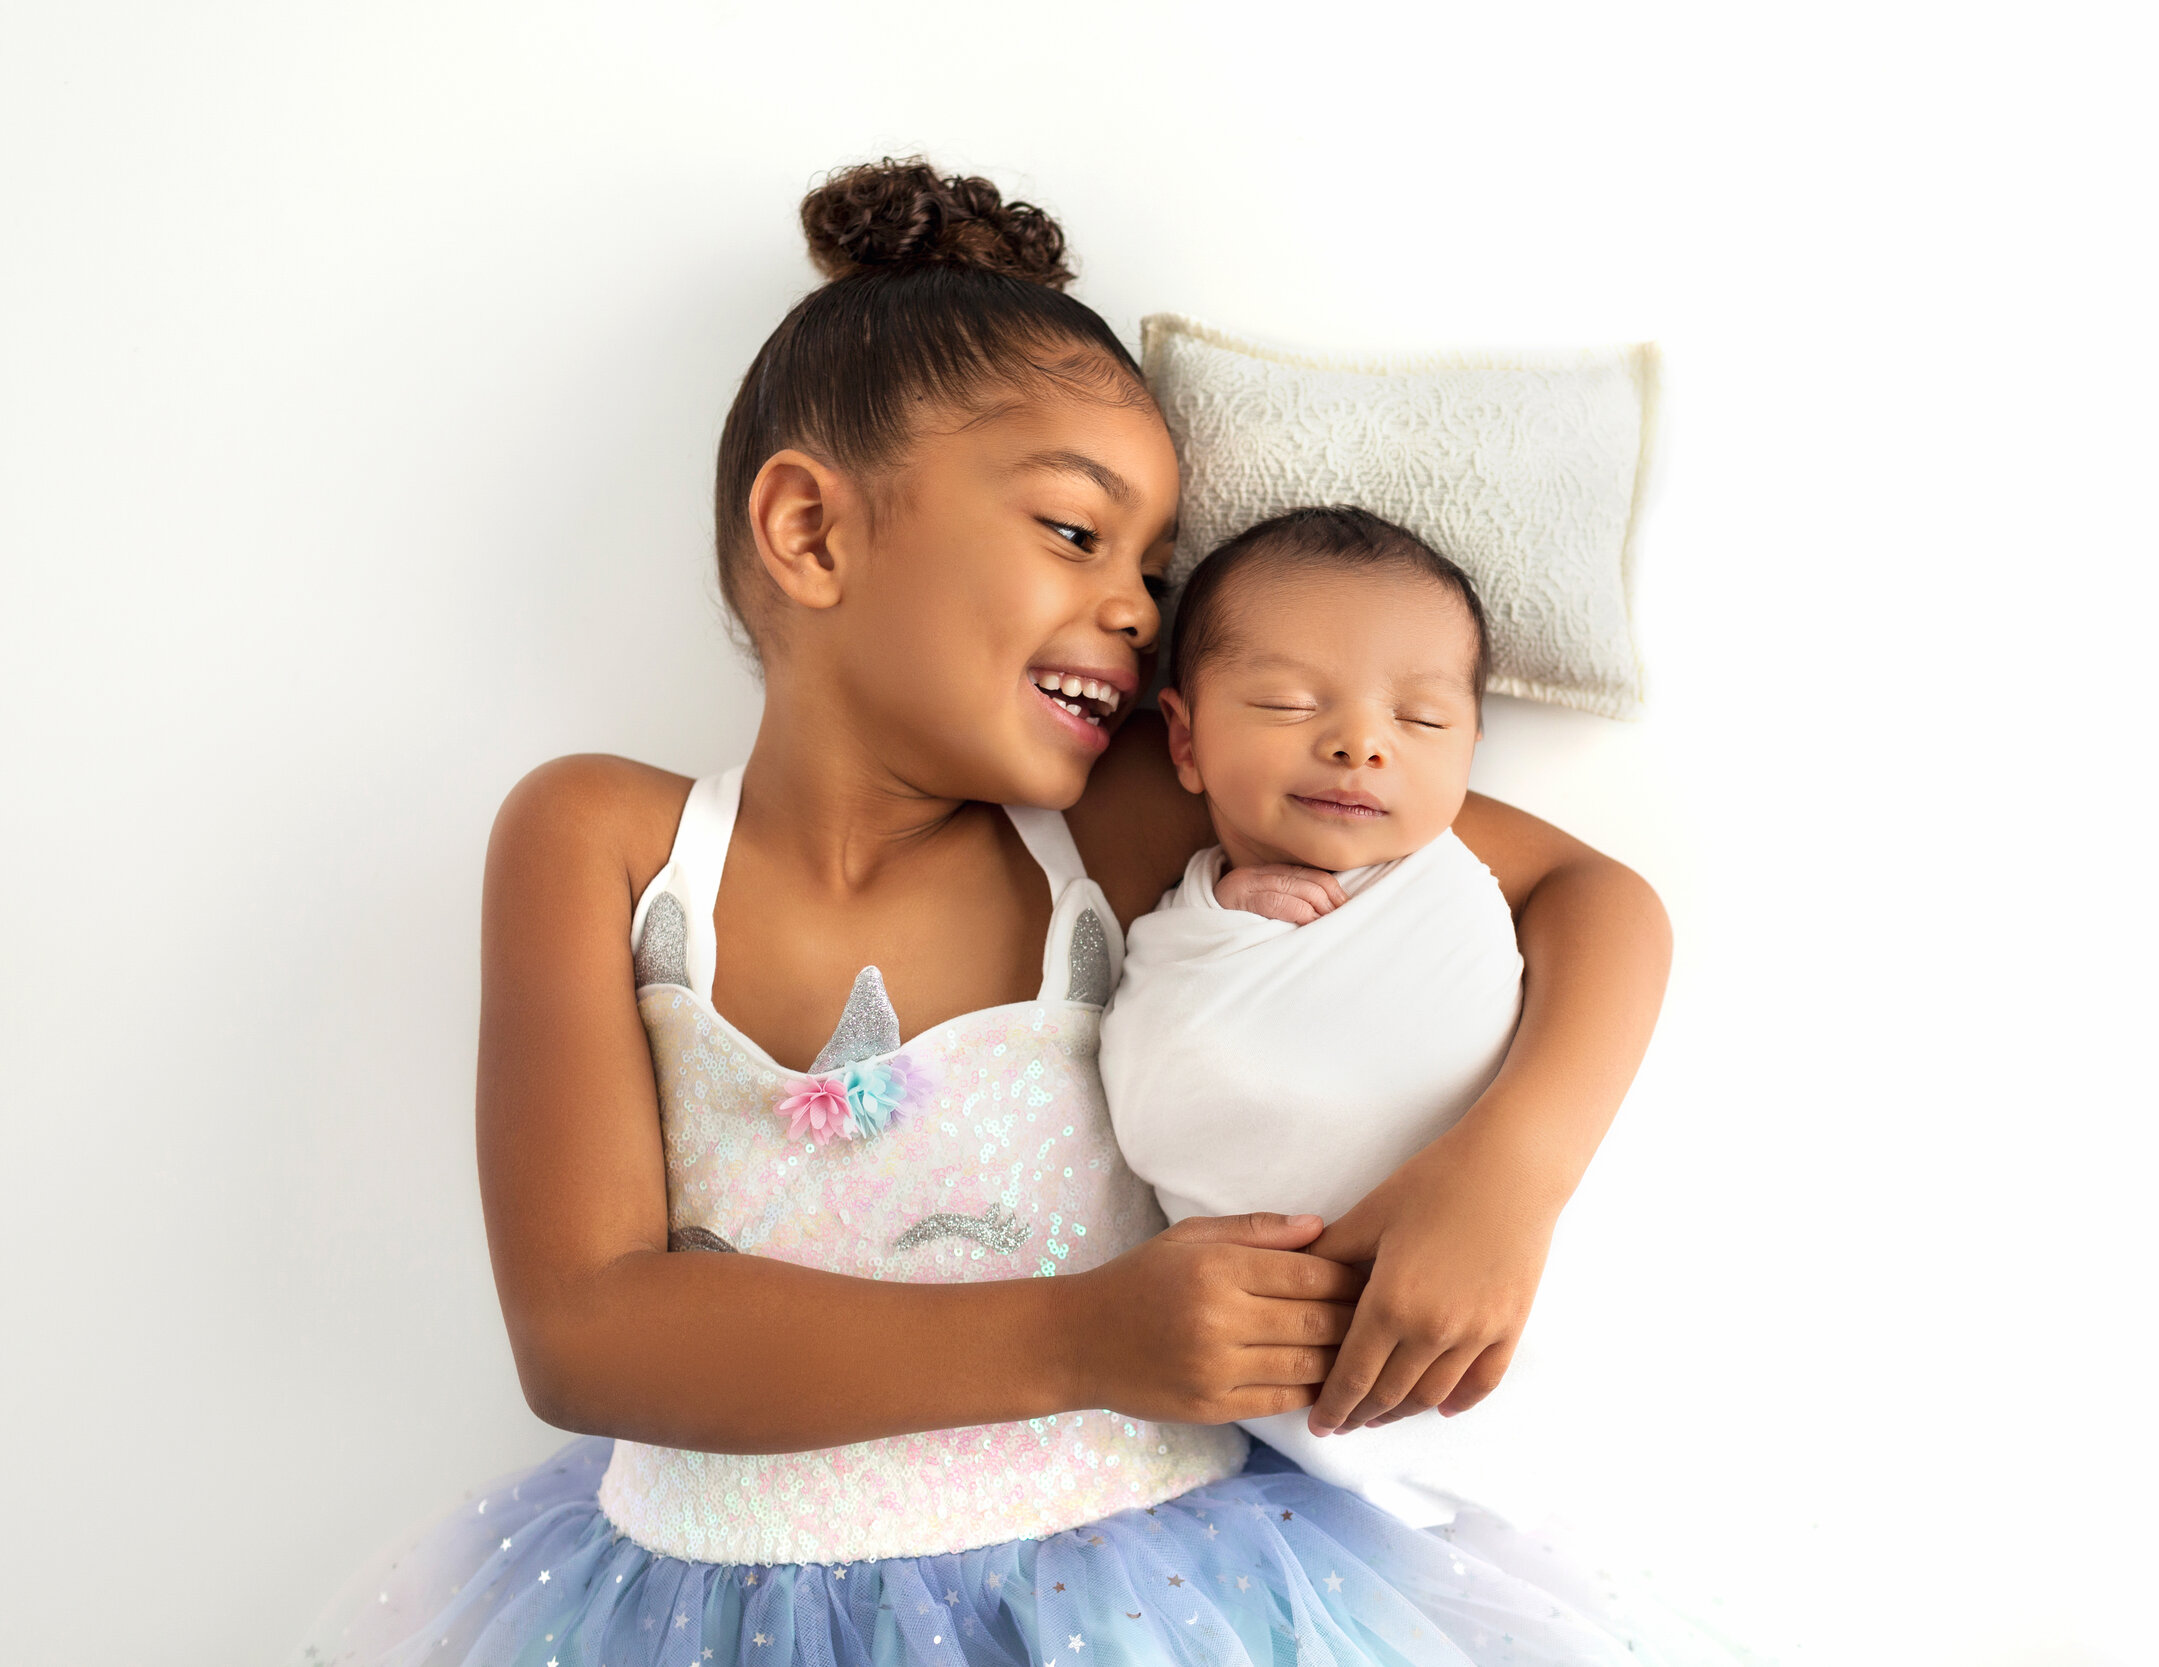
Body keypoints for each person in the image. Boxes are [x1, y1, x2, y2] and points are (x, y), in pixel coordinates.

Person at [299, 158, 1711, 1667]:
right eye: (1073, 531)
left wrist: (1507, 1179)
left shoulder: (1113, 829)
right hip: (702, 1604)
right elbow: (582, 1331)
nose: (1137, 608)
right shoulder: (604, 840)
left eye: (1157, 568)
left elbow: (1591, 898)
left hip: (1152, 1598)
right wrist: (1084, 1337)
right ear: (811, 531)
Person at [1100, 506, 1534, 1529]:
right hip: (1281, 1415)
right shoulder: (1175, 923)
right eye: (1290, 702)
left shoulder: (1458, 884)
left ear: (1470, 750)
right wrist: (1218, 926)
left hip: (1500, 1323)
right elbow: (1155, 1105)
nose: (1357, 743)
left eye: (1421, 721)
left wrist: (1503, 1183)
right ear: (1186, 738)